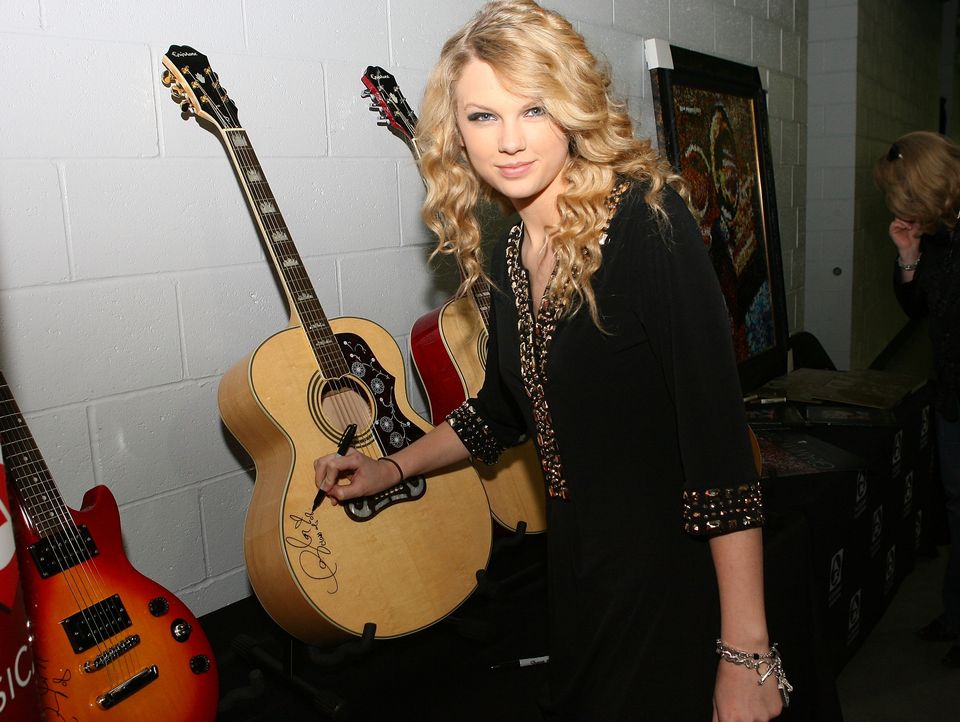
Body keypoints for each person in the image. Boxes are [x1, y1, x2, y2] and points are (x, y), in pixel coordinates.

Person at [315, 2, 788, 718]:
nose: (508, 141)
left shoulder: (649, 221)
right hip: (575, 573)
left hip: (671, 572)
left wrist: (745, 651)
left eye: (532, 108)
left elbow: (720, 446)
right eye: (482, 117)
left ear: (572, 109)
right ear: (456, 133)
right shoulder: (507, 256)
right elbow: (504, 412)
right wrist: (389, 466)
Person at [874, 130, 960, 668]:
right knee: (956, 508)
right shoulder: (937, 236)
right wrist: (907, 257)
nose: (898, 209)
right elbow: (918, 307)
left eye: (903, 198)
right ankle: (955, 615)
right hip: (952, 393)